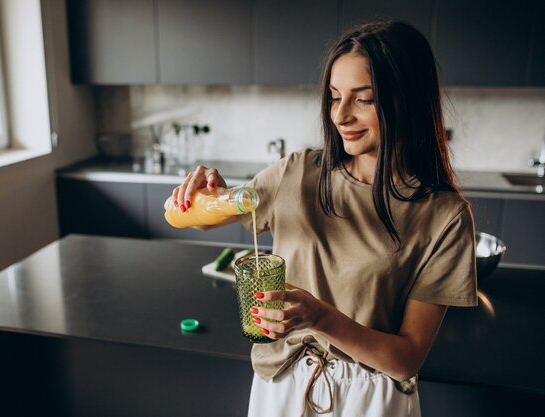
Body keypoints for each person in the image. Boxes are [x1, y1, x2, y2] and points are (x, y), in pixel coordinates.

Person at [171, 21, 477, 417]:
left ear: (407, 99)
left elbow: (406, 359)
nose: (341, 116)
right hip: (280, 386)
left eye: (363, 99)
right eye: (334, 97)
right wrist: (204, 195)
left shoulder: (444, 216)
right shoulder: (298, 173)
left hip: (369, 399)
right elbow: (202, 220)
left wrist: (321, 318)